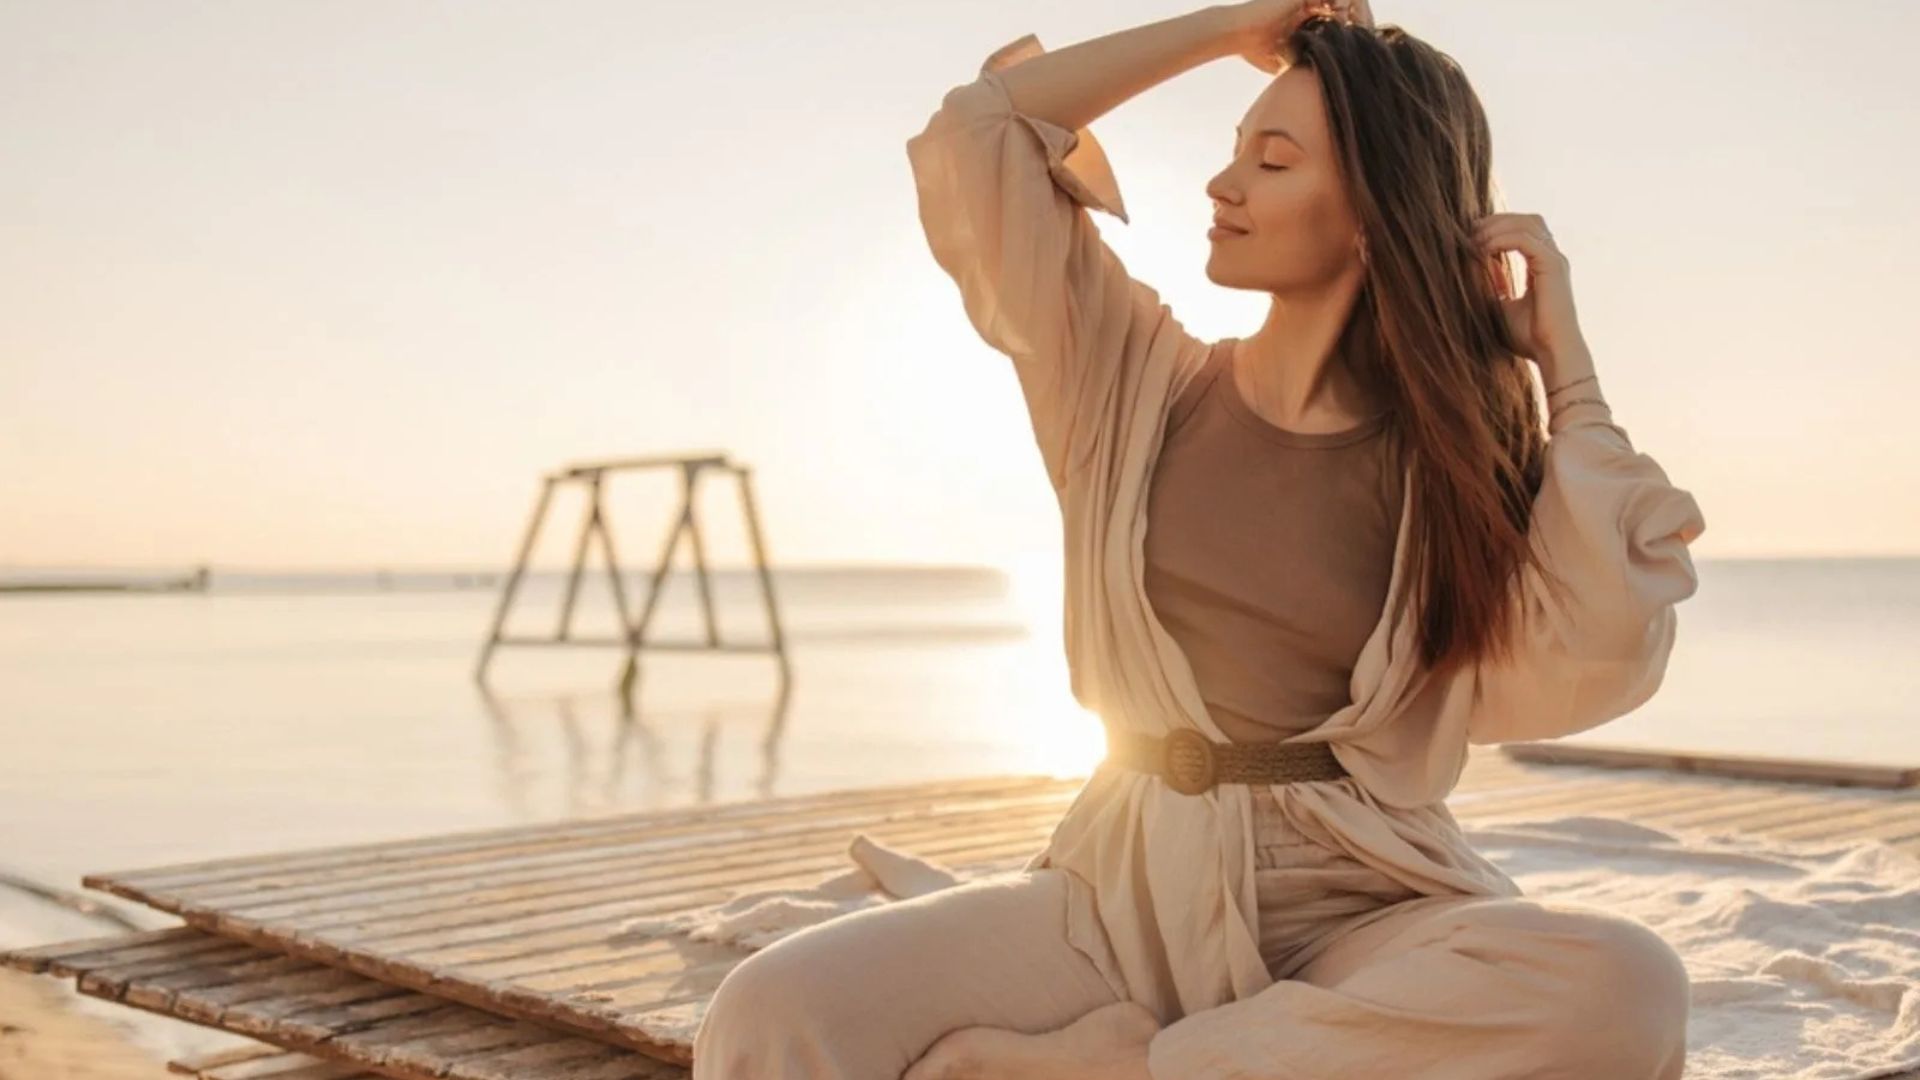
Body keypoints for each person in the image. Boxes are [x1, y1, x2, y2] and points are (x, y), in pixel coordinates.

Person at [693, 1, 1705, 1077]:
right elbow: (980, 132)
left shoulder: (1455, 457)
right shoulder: (1127, 377)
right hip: (1119, 891)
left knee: (1624, 987)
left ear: (1373, 212)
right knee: (774, 1008)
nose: (1224, 185)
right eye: (1233, 153)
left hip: (1368, 897)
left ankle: (1124, 1067)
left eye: (1272, 161)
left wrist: (1568, 370)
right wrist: (1233, 26)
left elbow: (1598, 659)